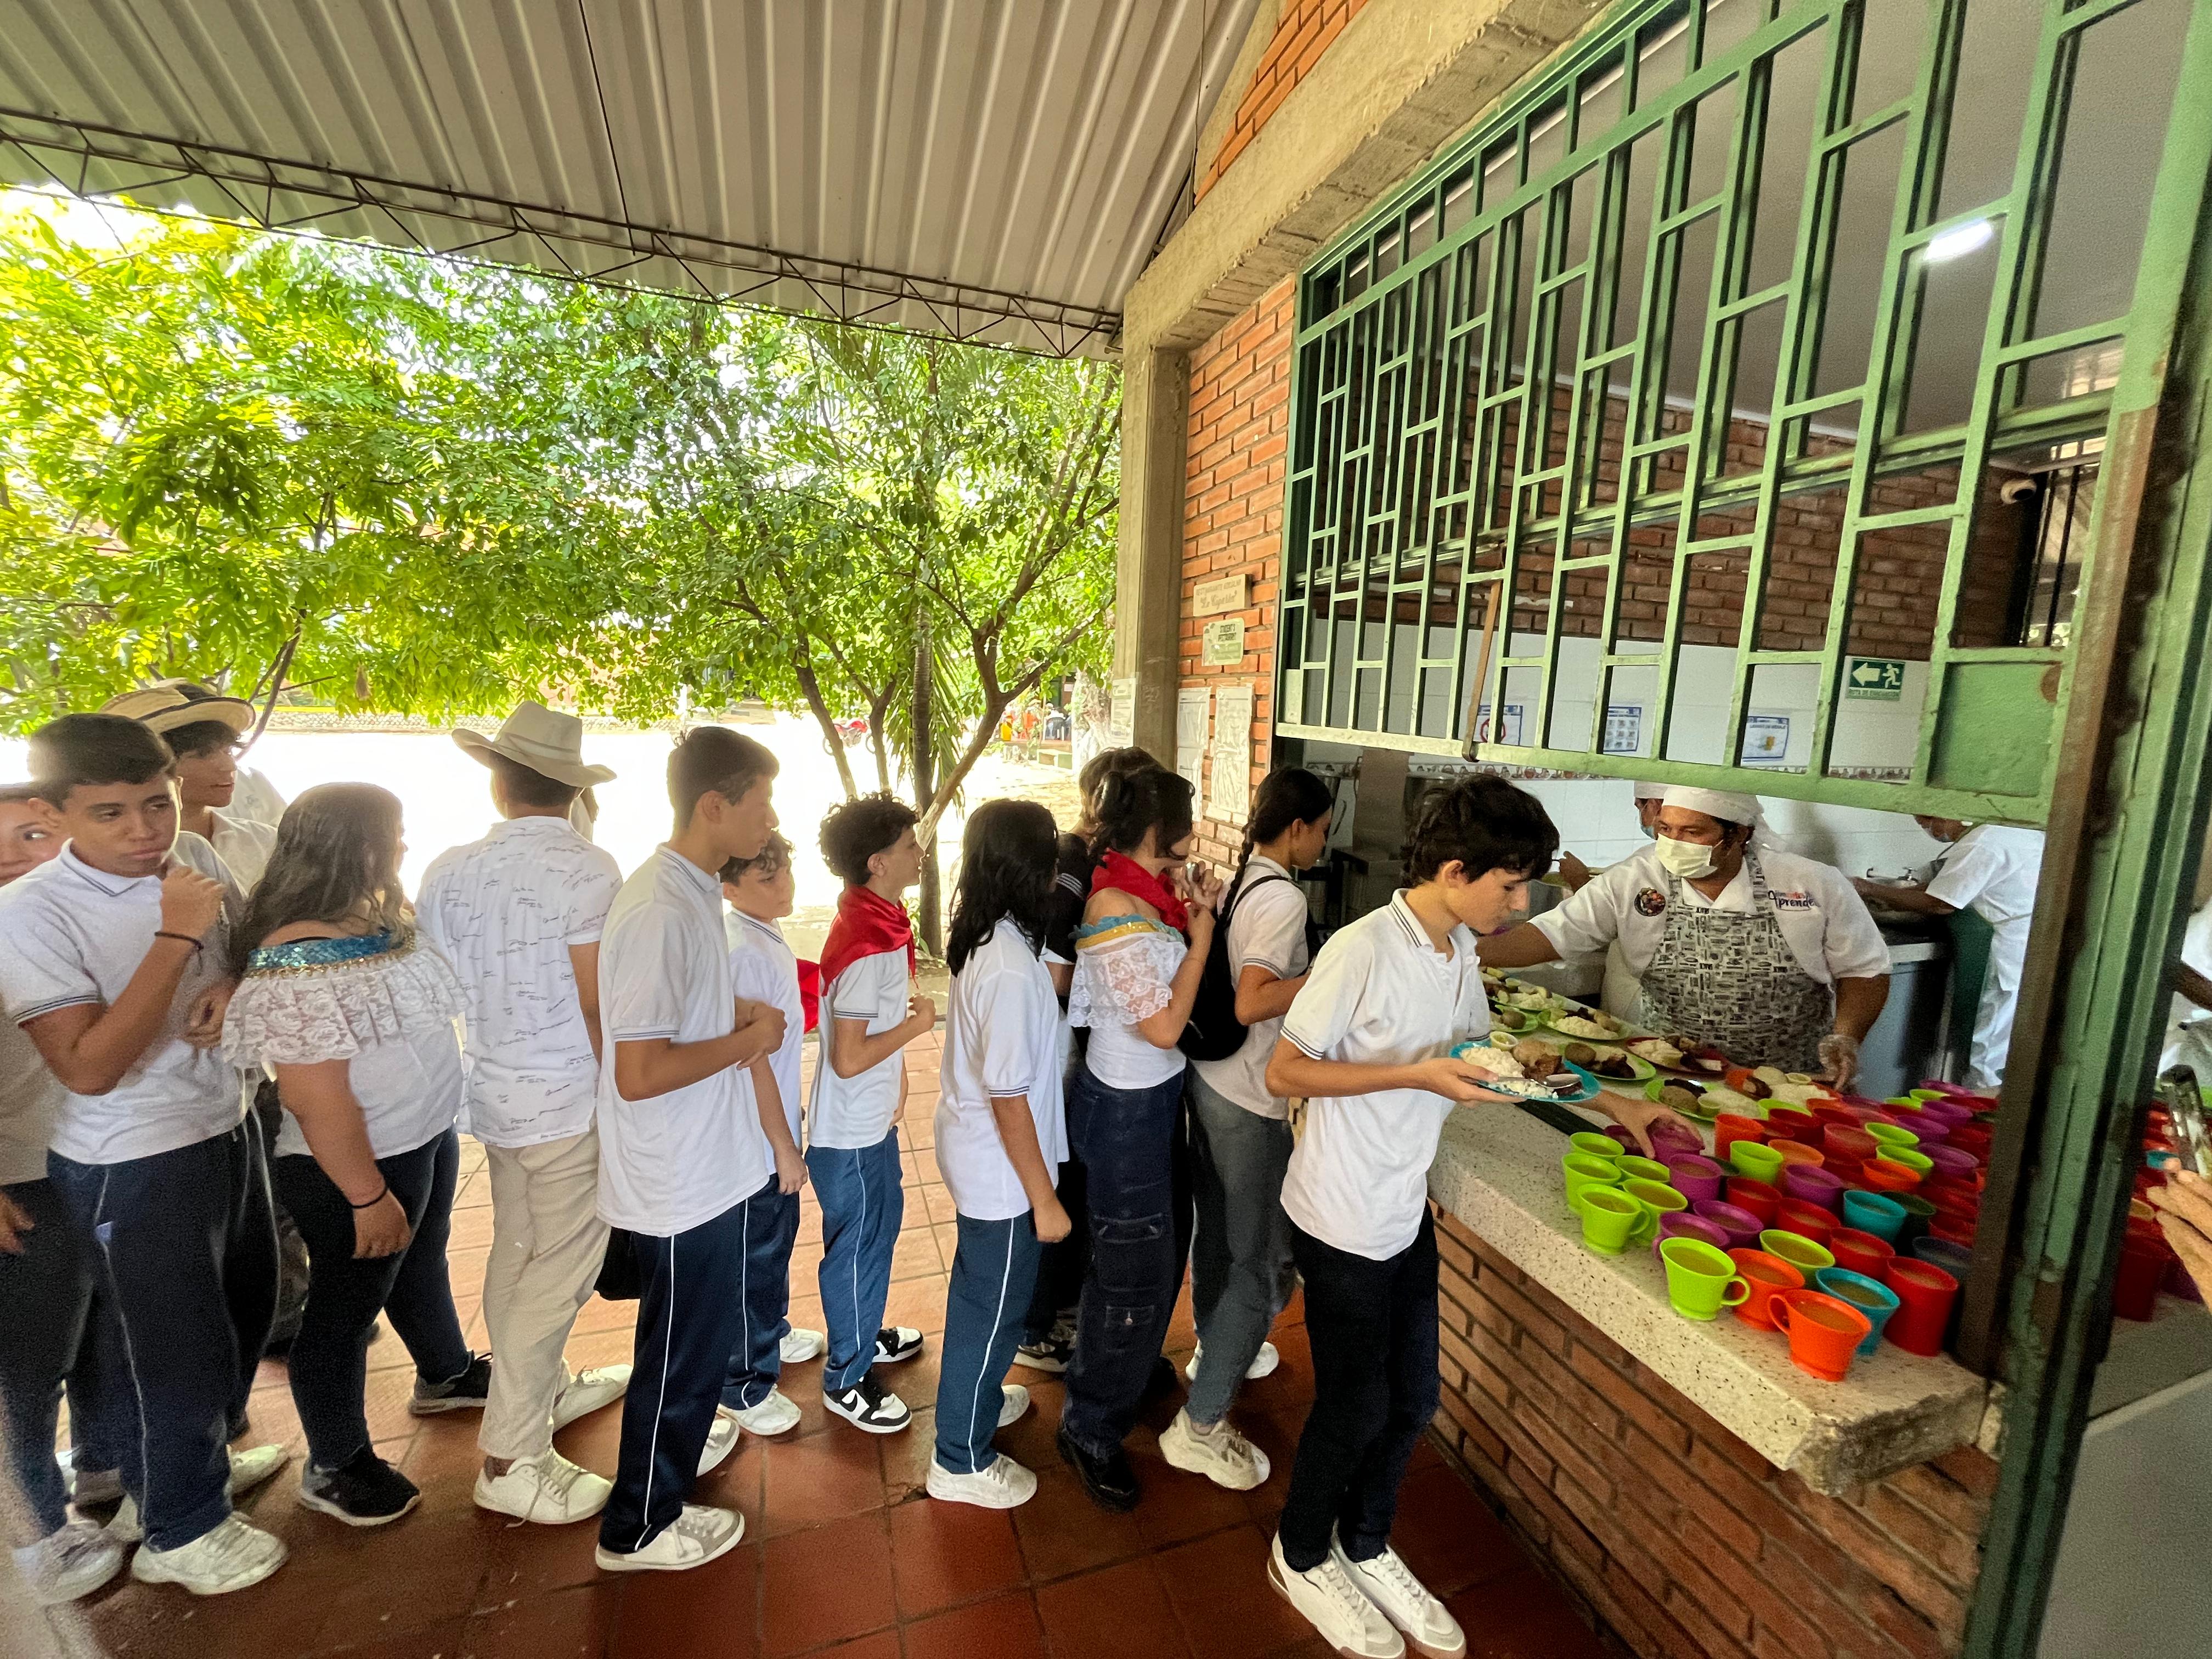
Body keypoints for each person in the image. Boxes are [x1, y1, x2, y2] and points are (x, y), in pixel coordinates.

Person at [1261, 776, 1683, 1658]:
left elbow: (1483, 1056)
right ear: (1456, 870)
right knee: (1355, 1403)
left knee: (1414, 1397)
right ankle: (1301, 1553)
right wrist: (1414, 1076)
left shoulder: (1454, 949)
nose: (1522, 903)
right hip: (1340, 1214)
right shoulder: (1362, 949)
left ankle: (1366, 1542)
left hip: (1399, 1206)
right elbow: (1287, 1074)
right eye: (1511, 884)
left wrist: (1609, 1103)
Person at [0, 715, 288, 1596]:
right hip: (131, 1155)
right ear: (57, 816)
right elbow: (86, 1067)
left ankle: (174, 1478)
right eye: (112, 813)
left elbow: (245, 947)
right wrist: (172, 940)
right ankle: (183, 1531)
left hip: (225, 1119)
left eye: (156, 805)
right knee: (172, 1346)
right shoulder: (29, 913)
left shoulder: (191, 865)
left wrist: (232, 979)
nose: (144, 831)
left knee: (242, 1310)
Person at [223, 785, 487, 1526]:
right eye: (391, 834)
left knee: (418, 1264)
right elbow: (315, 1096)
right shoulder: (298, 953)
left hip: (419, 1137)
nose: (403, 846)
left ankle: (447, 1372)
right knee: (344, 1309)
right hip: (354, 1165)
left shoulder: (371, 916)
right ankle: (337, 1461)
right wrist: (367, 1194)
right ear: (350, 846)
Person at [416, 703, 635, 1526]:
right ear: (573, 791)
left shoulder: (447, 869)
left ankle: (538, 1390)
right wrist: (629, 1093)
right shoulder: (589, 869)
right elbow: (594, 1003)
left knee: (516, 1247)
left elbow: (440, 988)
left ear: (501, 784)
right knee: (562, 1268)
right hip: (568, 1097)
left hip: (494, 1091)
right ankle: (512, 1453)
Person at [592, 726, 787, 1573]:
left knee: (693, 1346)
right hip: (678, 1177)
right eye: (760, 804)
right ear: (714, 806)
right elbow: (638, 1071)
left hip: (708, 1163)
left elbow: (676, 1033)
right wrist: (750, 1043)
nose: (770, 821)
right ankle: (638, 1525)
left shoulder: (694, 890)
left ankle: (665, 1471)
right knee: (676, 1353)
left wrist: (735, 1026)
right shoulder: (659, 908)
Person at [1480, 785, 1890, 1087]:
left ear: (1739, 834)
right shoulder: (1638, 877)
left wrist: (1847, 1034)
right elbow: (1552, 934)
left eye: (1693, 833)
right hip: (1674, 1074)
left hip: (1789, 1083)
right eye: (1665, 829)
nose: (1673, 844)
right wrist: (1466, 951)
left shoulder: (1811, 883)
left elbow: (1865, 969)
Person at [1058, 767, 1222, 1511]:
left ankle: (1119, 1361)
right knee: (1133, 1265)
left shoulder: (1148, 892)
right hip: (1125, 1108)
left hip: (1154, 1099)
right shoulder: (1112, 900)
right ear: (1161, 826)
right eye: (1187, 817)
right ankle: (1090, 1425)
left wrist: (1191, 912)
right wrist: (1203, 938)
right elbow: (1159, 1025)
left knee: (1157, 1252)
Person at [1166, 766, 1333, 1493]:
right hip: (1248, 1102)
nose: (1325, 843)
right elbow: (1251, 1002)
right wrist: (1330, 975)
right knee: (1259, 1262)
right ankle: (1201, 1424)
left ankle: (1214, 1349)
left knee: (1219, 1235)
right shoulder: (1285, 901)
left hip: (1208, 1085)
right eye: (1323, 830)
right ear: (1296, 829)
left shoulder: (1237, 882)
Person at [0, 783, 127, 1604]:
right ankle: (34, 1540)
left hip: (81, 1155)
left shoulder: (51, 929)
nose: (17, 852)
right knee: (27, 1363)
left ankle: (105, 1467)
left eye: (35, 833)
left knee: (94, 1323)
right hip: (19, 1174)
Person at [927, 800, 1074, 1509]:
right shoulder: (1010, 969)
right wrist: (1044, 1199)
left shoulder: (990, 936)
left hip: (978, 1153)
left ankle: (974, 1398)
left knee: (980, 1296)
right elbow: (1010, 1097)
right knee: (995, 1308)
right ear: (1028, 867)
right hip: (1003, 1172)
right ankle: (959, 1456)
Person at [1017, 744, 1162, 1375]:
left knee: (1071, 1181)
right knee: (1059, 1183)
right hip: (1057, 1051)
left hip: (1074, 1049)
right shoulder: (1074, 864)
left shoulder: (1091, 859)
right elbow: (1054, 974)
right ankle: (1035, 1324)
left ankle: (1059, 1307)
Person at [808, 793, 935, 1434]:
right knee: (857, 1247)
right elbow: (849, 1058)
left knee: (875, 1235)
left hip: (868, 1123)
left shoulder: (879, 924)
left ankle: (863, 1329)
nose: (921, 852)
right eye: (911, 846)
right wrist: (917, 1028)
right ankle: (847, 1377)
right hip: (851, 1131)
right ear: (878, 861)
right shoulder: (865, 943)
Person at [718, 831, 827, 1436]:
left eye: (784, 870)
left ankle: (772, 1332)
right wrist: (784, 1146)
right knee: (755, 1255)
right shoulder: (745, 951)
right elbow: (752, 1058)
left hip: (772, 1125)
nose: (783, 884)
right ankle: (743, 1383)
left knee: (773, 1243)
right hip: (759, 1138)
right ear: (729, 886)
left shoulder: (762, 933)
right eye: (766, 877)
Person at [1856, 819, 2044, 1091]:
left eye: (1929, 819)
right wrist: (1888, 894)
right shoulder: (2010, 828)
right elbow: (1942, 887)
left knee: (1985, 1048)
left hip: (1999, 953)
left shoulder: (1984, 843)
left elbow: (1939, 903)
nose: (1925, 825)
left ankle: (1975, 1115)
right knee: (1991, 1043)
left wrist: (1869, 889)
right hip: (2021, 948)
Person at [100, 682, 278, 889]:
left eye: (227, 751)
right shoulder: (114, 863)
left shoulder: (265, 841)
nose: (228, 767)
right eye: (202, 755)